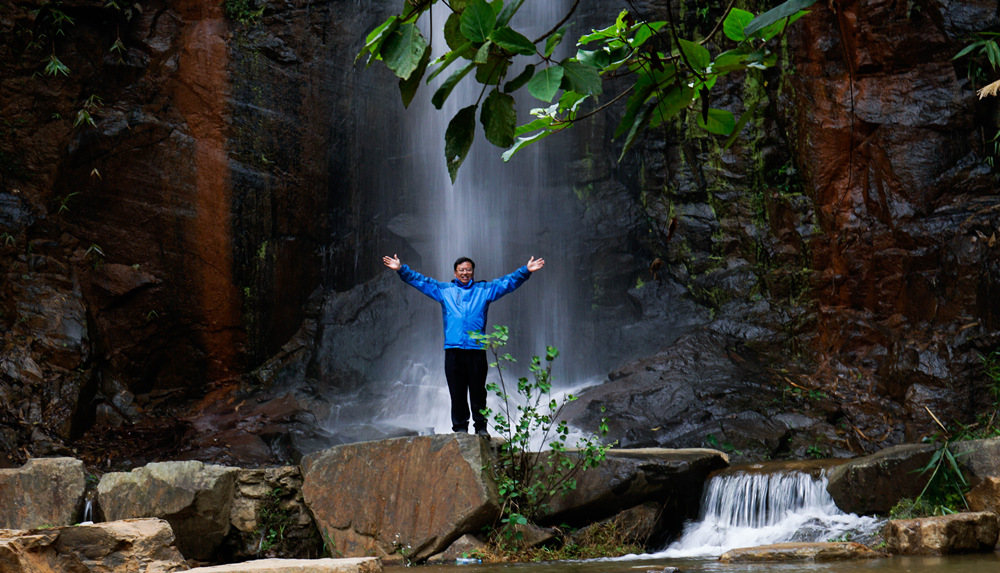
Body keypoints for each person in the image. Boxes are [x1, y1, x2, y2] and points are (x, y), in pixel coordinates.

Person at [382, 254, 545, 436]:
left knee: (478, 392)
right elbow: (422, 282)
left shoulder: (484, 290)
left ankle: (481, 428)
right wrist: (401, 269)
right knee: (457, 392)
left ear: (473, 272)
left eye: (468, 270)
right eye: (462, 270)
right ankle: (460, 429)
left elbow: (506, 283)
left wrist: (525, 271)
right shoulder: (445, 291)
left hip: (476, 351)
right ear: (455, 272)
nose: (465, 273)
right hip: (453, 351)